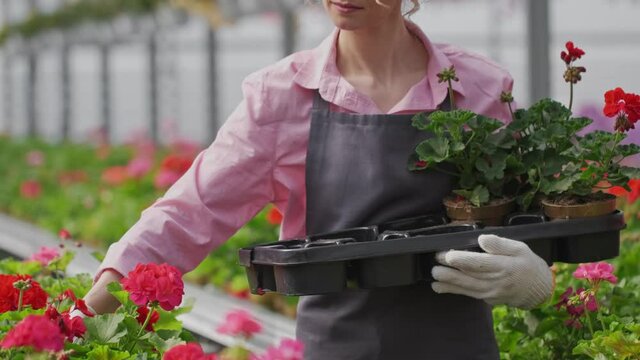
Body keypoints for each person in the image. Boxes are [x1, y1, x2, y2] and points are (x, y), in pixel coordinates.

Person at [84, 1, 554, 359]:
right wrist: (81, 318)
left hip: (459, 347)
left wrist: (538, 278)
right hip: (336, 348)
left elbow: (527, 212)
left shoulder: (479, 87)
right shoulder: (280, 96)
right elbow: (190, 215)